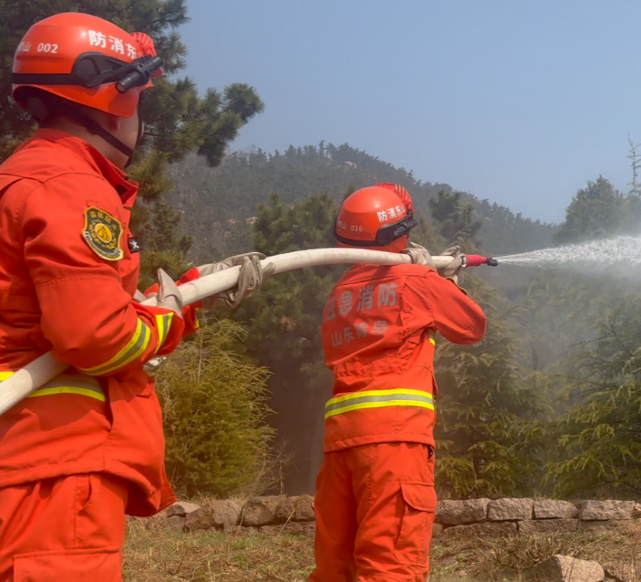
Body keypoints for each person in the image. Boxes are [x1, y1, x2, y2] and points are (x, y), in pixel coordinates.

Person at [0, 12, 269, 580]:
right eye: (140, 102)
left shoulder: (22, 177)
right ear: (114, 99)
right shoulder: (71, 185)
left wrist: (190, 294)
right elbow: (96, 336)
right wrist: (175, 316)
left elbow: (71, 310)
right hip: (53, 470)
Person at [311, 183, 487, 582]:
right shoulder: (416, 281)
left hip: (340, 448)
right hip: (394, 443)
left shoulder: (338, 294)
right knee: (390, 566)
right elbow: (471, 326)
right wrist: (444, 278)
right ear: (401, 231)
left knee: (335, 569)